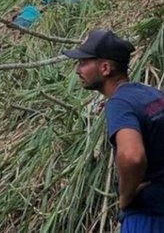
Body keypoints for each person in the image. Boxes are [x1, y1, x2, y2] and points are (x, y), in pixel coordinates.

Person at [62, 30, 164, 233]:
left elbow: (132, 156)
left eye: (83, 62)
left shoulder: (119, 103)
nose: (77, 70)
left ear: (105, 68)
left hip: (148, 216)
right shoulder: (149, 93)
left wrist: (125, 197)